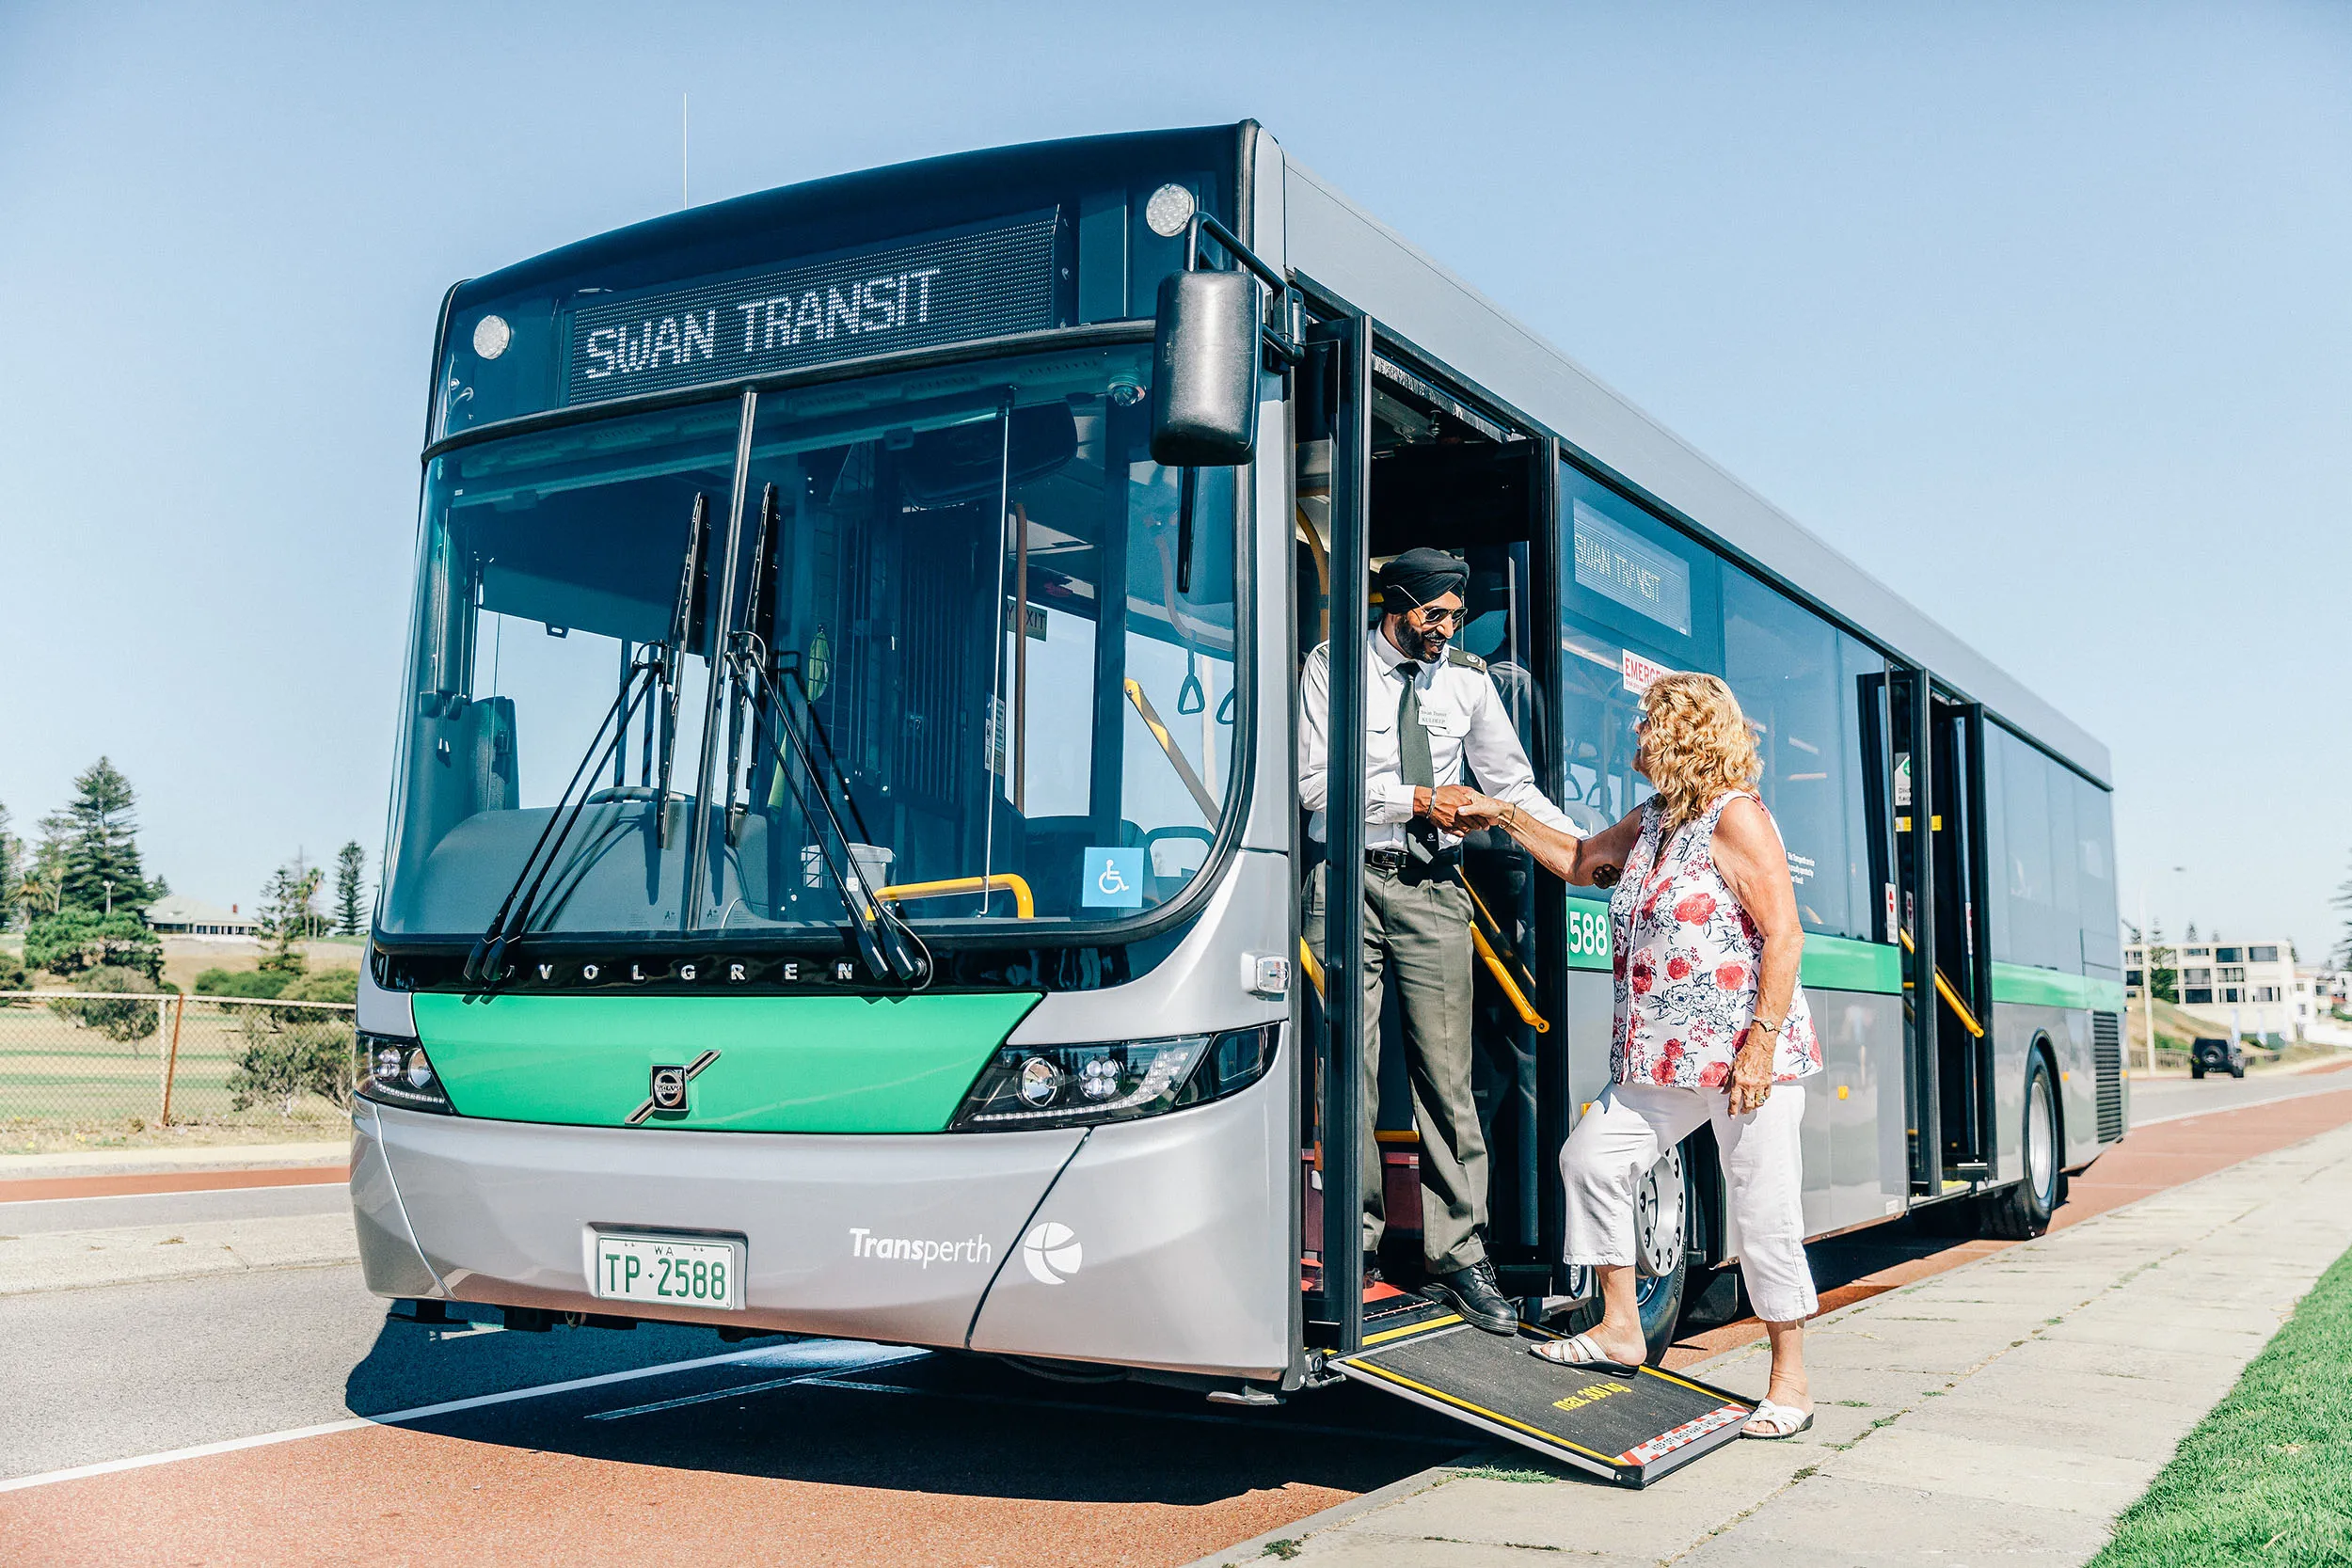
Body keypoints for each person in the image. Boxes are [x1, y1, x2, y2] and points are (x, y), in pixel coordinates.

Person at [1449, 671, 1821, 1438]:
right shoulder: (1654, 820)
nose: (1634, 736)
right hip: (1665, 1059)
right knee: (1590, 1158)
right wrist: (1503, 813)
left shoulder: (1735, 816)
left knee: (1763, 1210)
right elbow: (1581, 859)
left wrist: (1758, 1045)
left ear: (1683, 733)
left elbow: (1785, 934)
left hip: (1746, 1058)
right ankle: (1622, 1324)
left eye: (1647, 723)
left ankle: (1791, 1379)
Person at [1296, 547, 1580, 1335]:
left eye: (1457, 617)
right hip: (1347, 878)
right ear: (1398, 603)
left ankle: (1459, 1253)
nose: (1448, 630)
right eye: (1435, 615)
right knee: (1345, 1071)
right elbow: (1314, 781)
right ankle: (1354, 1251)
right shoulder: (1334, 666)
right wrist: (1419, 796)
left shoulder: (1468, 681)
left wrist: (1581, 850)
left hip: (1434, 888)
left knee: (1447, 1079)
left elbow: (1511, 784)